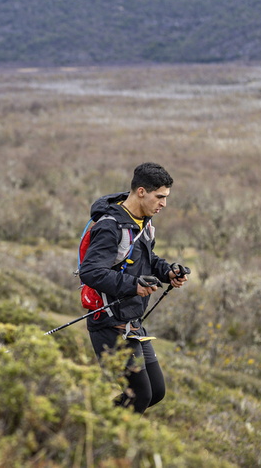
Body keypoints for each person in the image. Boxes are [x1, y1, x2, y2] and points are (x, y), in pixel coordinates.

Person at [78, 162, 189, 414]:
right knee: (140, 396)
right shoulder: (110, 226)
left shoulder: (143, 222)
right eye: (159, 197)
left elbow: (146, 259)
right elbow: (91, 271)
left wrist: (167, 271)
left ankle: (97, 423)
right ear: (141, 192)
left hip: (132, 321)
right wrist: (133, 285)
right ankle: (96, 430)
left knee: (156, 392)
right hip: (108, 322)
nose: (164, 204)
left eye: (166, 197)